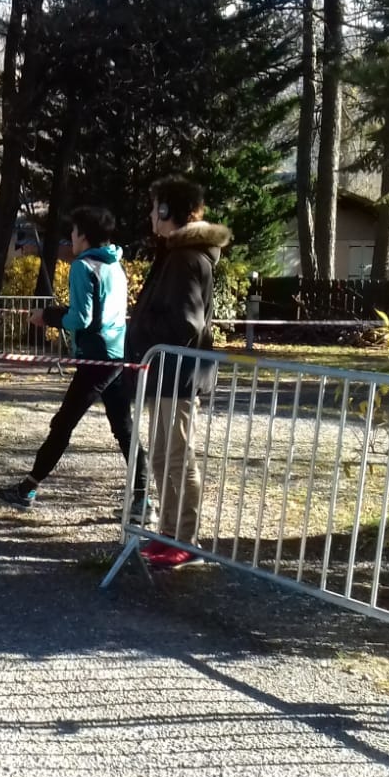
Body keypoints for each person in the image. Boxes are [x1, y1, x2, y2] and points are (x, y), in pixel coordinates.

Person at [0, 206, 147, 511]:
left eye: (73, 232)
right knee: (124, 429)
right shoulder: (115, 266)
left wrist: (47, 316)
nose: (70, 237)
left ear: (83, 235)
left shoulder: (82, 267)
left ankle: (27, 489)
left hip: (94, 359)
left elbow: (81, 318)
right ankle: (143, 497)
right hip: (117, 355)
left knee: (63, 424)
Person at [125, 177, 230, 568]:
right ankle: (167, 533)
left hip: (178, 375)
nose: (151, 214)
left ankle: (186, 539)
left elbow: (186, 322)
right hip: (164, 373)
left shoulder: (186, 259)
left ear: (168, 210)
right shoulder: (175, 254)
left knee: (178, 458)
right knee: (161, 458)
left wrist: (146, 333)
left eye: (156, 207)